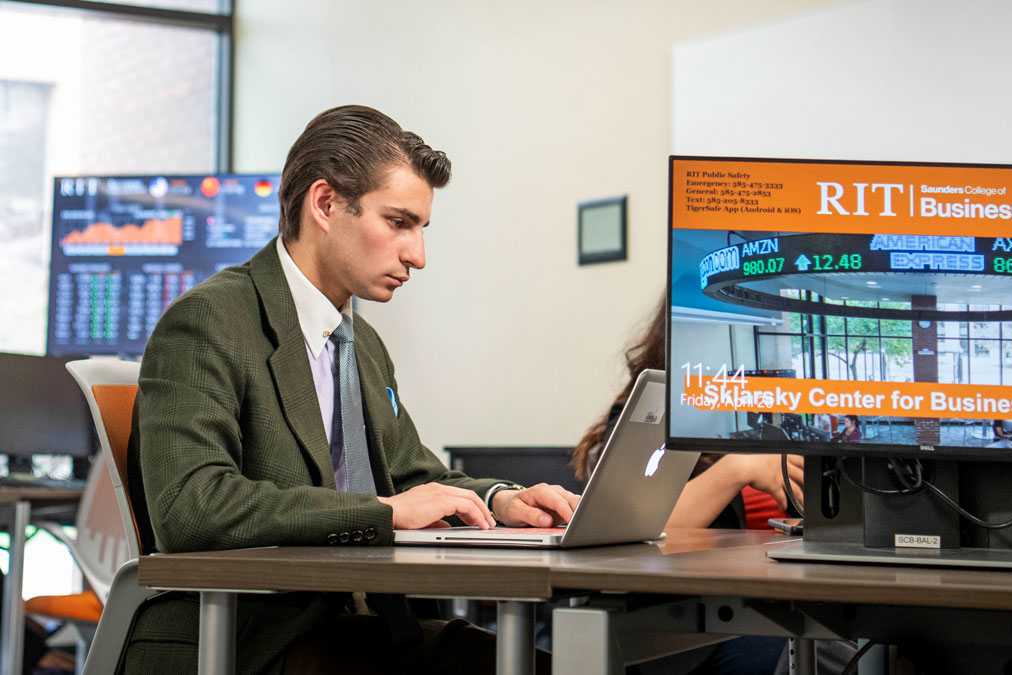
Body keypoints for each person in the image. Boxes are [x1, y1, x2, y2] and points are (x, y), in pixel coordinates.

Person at [125, 105, 579, 675]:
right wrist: (382, 512)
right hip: (255, 636)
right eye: (398, 223)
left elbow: (414, 475)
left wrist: (500, 502)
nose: (417, 255)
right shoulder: (209, 322)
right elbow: (191, 507)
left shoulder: (358, 342)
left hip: (368, 626)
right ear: (325, 203)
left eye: (421, 229)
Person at [571, 296, 803, 674]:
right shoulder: (657, 409)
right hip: (696, 624)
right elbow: (638, 523)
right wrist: (735, 470)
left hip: (779, 595)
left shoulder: (774, 409)